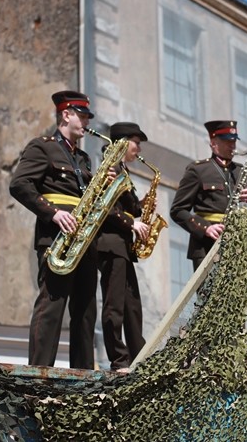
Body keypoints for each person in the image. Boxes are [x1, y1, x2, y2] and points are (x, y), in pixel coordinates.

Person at [9, 90, 99, 369]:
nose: (85, 122)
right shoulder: (42, 147)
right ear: (66, 114)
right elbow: (19, 185)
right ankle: (38, 370)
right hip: (57, 237)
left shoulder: (84, 158)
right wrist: (53, 213)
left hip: (84, 239)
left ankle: (84, 372)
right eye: (81, 116)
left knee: (85, 310)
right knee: (52, 303)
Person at [170, 120, 247, 271]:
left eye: (234, 141)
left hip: (237, 248)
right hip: (206, 246)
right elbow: (178, 210)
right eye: (227, 141)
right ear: (213, 143)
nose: (232, 146)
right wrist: (205, 228)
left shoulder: (241, 171)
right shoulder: (198, 170)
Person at [97, 122, 150, 372]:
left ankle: (138, 357)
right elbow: (105, 208)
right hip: (110, 244)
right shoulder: (109, 168)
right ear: (121, 142)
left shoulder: (123, 171)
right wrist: (132, 223)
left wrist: (142, 204)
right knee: (114, 305)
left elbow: (126, 206)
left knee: (132, 307)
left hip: (124, 247)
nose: (138, 148)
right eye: (135, 142)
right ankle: (118, 360)